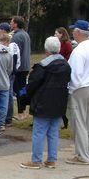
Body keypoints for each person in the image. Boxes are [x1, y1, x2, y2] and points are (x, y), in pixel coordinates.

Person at [19, 37, 71, 169]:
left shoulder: (42, 66)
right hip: (59, 102)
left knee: (39, 132)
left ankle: (36, 160)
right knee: (53, 132)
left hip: (43, 102)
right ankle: (51, 159)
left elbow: (32, 85)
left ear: (46, 50)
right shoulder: (66, 65)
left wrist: (24, 96)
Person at [66, 20, 89, 165]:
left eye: (74, 31)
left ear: (78, 32)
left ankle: (82, 155)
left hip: (81, 88)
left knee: (80, 122)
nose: (72, 34)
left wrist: (72, 89)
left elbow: (75, 73)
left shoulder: (79, 50)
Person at [0, 22, 20, 126]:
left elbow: (14, 60)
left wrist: (11, 72)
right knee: (5, 98)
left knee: (6, 97)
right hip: (8, 74)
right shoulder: (9, 47)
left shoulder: (10, 46)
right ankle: (3, 120)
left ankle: (6, 119)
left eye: (0, 30)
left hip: (6, 75)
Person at [11, 16, 31, 120]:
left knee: (18, 89)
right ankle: (22, 109)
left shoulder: (17, 36)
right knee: (22, 89)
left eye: (12, 22)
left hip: (19, 67)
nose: (10, 23)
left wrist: (13, 67)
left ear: (16, 24)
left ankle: (20, 112)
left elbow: (15, 53)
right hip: (26, 66)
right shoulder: (25, 34)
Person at [0, 34, 14, 131]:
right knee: (3, 105)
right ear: (7, 41)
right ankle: (1, 123)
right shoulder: (9, 54)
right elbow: (10, 69)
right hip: (5, 82)